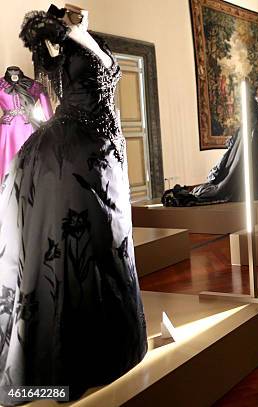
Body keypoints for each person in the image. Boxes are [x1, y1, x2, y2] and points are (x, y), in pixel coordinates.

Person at [0, 5, 147, 404]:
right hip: (81, 154)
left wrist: (72, 31)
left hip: (83, 148)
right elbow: (102, 70)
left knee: (90, 242)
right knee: (88, 244)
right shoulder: (78, 46)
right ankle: (78, 357)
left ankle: (81, 346)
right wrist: (69, 30)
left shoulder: (78, 45)